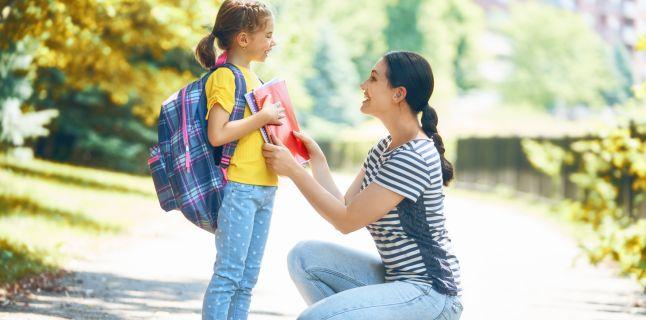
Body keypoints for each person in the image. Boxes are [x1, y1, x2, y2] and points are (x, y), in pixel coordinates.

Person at [262, 51, 463, 319]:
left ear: (398, 94)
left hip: (431, 293)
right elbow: (346, 206)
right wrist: (316, 162)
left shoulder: (414, 156)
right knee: (304, 258)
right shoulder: (384, 147)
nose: (363, 85)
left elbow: (346, 221)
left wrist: (294, 173)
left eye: (373, 78)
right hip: (397, 280)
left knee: (314, 318)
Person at [194, 1, 285, 319]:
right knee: (229, 275)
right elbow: (218, 134)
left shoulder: (257, 80)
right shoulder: (225, 77)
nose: (273, 42)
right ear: (243, 39)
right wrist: (262, 118)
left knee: (247, 280)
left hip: (265, 187)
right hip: (239, 188)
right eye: (268, 35)